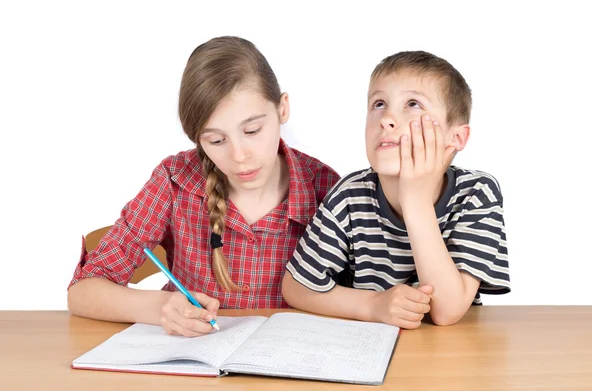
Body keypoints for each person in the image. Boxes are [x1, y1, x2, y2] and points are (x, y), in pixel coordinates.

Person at [67, 36, 339, 337]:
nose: (239, 156)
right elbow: (83, 291)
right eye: (216, 140)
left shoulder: (327, 189)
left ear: (282, 109)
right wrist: (160, 307)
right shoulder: (175, 180)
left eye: (252, 130)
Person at [283, 51, 510, 328]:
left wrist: (415, 199)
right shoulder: (348, 196)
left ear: (456, 137)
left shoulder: (477, 192)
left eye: (413, 103)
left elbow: (447, 311)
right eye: (378, 103)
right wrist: (373, 305)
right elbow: (296, 287)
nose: (387, 118)